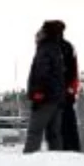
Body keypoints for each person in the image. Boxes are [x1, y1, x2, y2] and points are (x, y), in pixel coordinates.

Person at [24, 21, 68, 153]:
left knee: (34, 132)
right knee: (54, 135)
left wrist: (38, 94)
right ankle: (58, 164)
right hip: (57, 99)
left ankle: (26, 164)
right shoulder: (56, 49)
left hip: (45, 98)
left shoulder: (45, 49)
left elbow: (42, 73)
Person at [42, 20, 82, 152]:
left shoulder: (49, 47)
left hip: (56, 97)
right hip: (63, 95)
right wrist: (71, 90)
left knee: (58, 129)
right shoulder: (68, 46)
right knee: (68, 128)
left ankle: (61, 154)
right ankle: (71, 153)